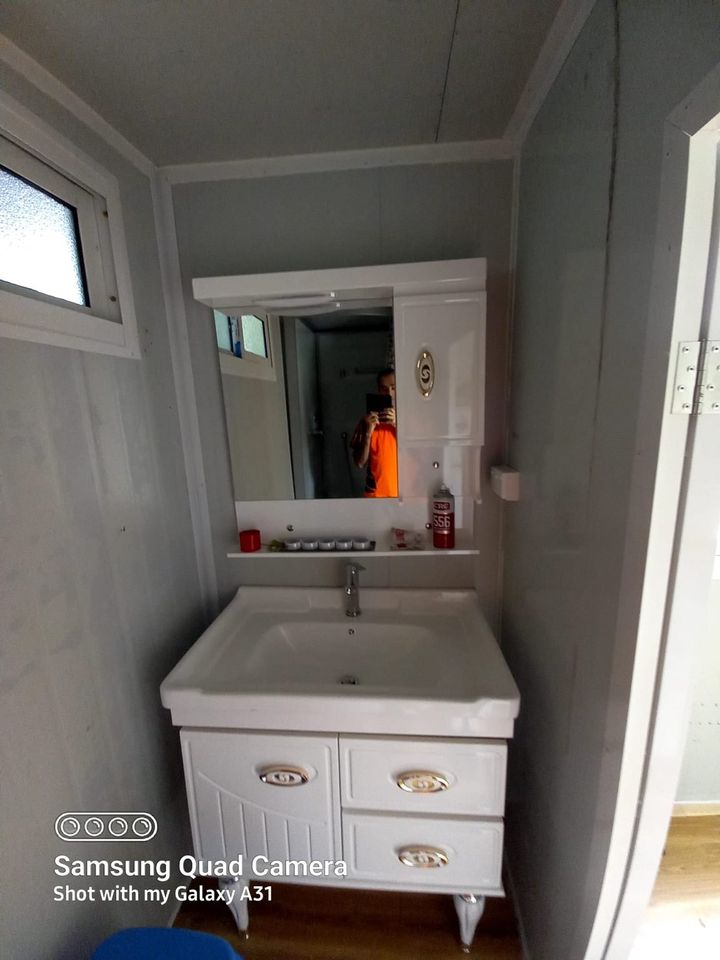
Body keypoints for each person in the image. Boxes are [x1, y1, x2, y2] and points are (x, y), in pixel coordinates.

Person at [350, 368, 398, 498]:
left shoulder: (409, 421)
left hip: (405, 494)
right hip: (375, 496)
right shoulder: (367, 422)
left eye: (394, 388)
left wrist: (397, 425)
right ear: (378, 390)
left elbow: (419, 456)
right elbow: (360, 463)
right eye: (384, 389)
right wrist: (368, 434)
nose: (389, 393)